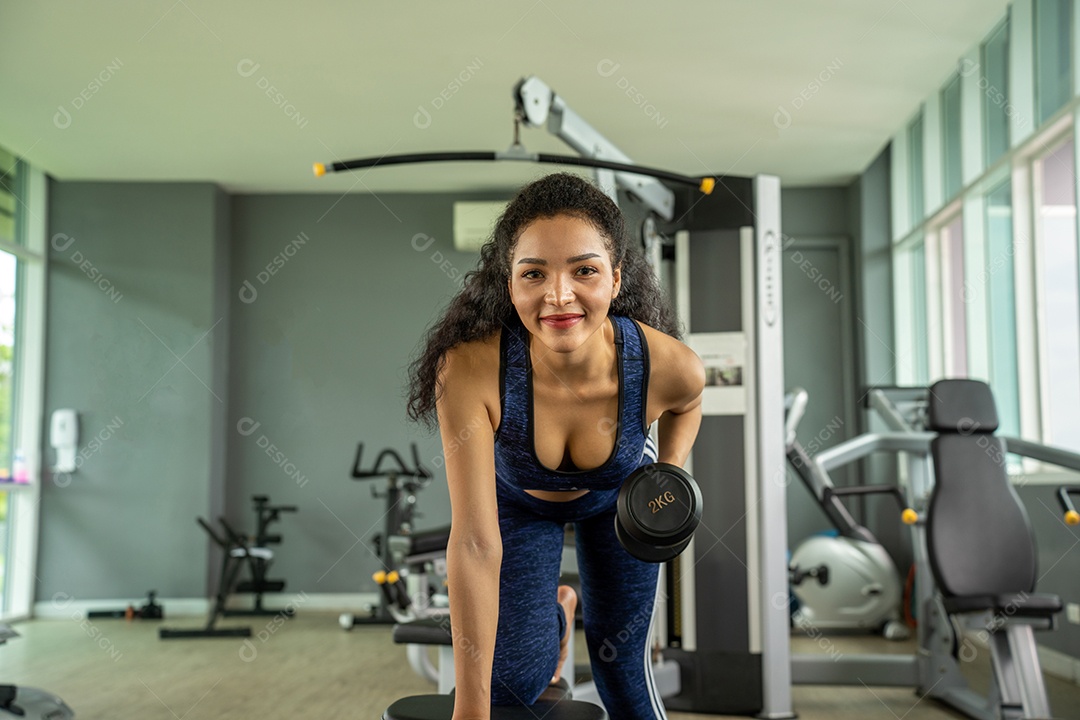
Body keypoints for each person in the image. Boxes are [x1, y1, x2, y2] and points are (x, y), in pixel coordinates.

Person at [407, 172, 704, 720]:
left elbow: (689, 401)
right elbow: (473, 542)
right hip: (518, 504)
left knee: (622, 674)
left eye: (584, 271)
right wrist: (470, 710)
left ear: (616, 280)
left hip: (617, 504)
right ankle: (560, 615)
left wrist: (667, 474)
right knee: (509, 685)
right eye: (534, 273)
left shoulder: (667, 364)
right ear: (510, 282)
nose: (558, 295)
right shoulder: (471, 370)